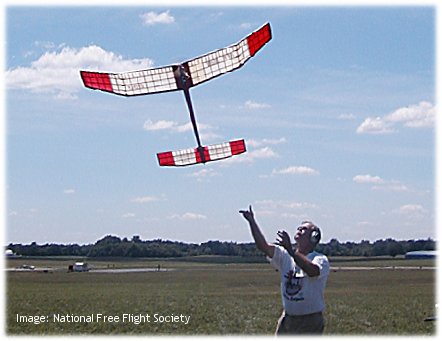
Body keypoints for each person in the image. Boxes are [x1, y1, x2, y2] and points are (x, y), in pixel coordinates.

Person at [239, 205, 330, 335]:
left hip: (310, 321)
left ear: (314, 237)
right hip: (288, 318)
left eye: (304, 229)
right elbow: (263, 247)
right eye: (299, 228)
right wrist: (251, 221)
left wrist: (291, 251)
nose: (299, 230)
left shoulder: (320, 259)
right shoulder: (285, 255)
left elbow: (312, 271)